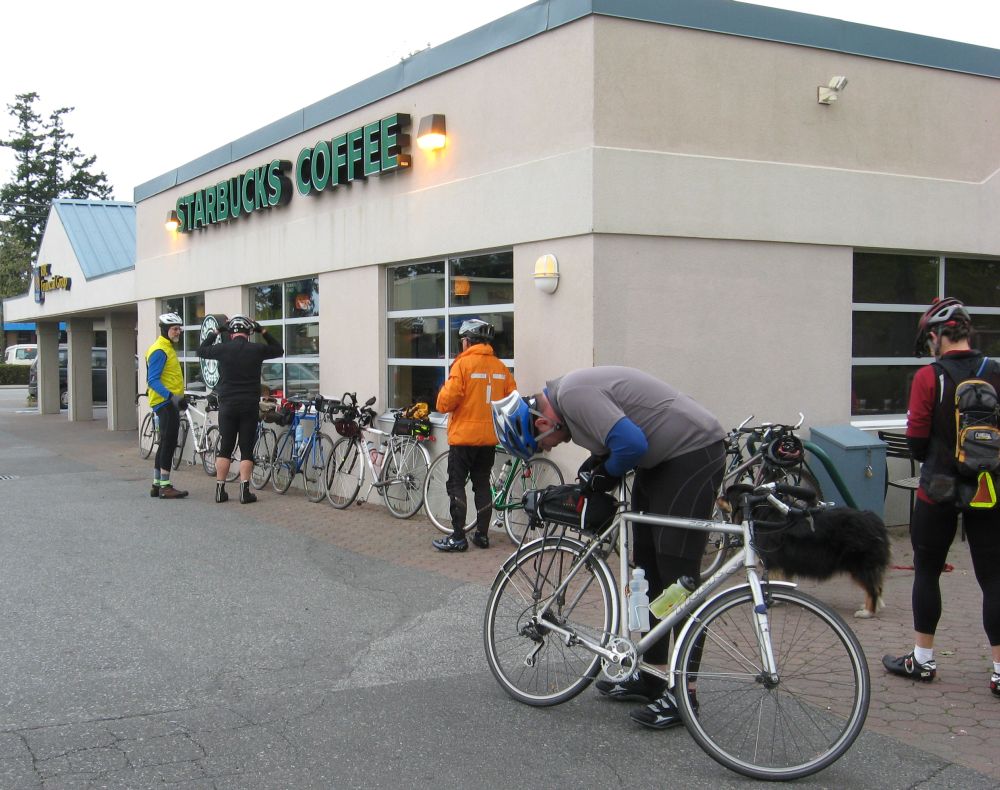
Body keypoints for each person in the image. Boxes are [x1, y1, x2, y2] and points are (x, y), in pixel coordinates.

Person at [491, 366, 725, 729]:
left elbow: (631, 444)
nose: (551, 448)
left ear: (542, 424)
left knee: (678, 578)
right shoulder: (569, 405)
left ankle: (684, 695)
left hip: (691, 452)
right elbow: (621, 441)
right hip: (660, 461)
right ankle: (652, 675)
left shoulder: (573, 396)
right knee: (647, 568)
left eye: (541, 445)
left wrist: (606, 473)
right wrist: (601, 467)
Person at [883, 298, 1000, 697]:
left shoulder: (929, 377)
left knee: (928, 570)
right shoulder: (995, 371)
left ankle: (923, 660)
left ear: (936, 336)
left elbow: (916, 439)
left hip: (939, 488)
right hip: (988, 487)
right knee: (994, 578)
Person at [431, 319, 516, 552]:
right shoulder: (500, 367)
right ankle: (482, 535)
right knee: (482, 484)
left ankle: (458, 537)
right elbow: (511, 399)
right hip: (488, 438)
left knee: (456, 484)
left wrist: (441, 394)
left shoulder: (462, 365)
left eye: (462, 340)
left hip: (464, 438)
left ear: (468, 341)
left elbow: (446, 402)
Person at [198, 314, 284, 504]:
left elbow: (201, 350)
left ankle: (220, 490)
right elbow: (279, 349)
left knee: (225, 448)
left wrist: (217, 331)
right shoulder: (256, 349)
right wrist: (262, 330)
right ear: (249, 333)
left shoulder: (222, 349)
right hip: (248, 405)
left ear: (231, 334)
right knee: (246, 450)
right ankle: (244, 492)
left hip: (227, 405)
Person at [145, 312, 189, 499]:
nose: (178, 332)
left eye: (179, 329)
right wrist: (172, 397)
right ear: (164, 329)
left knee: (164, 442)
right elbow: (152, 380)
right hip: (165, 403)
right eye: (174, 329)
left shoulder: (165, 347)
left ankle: (157, 484)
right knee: (169, 442)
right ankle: (165, 486)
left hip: (167, 402)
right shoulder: (160, 350)